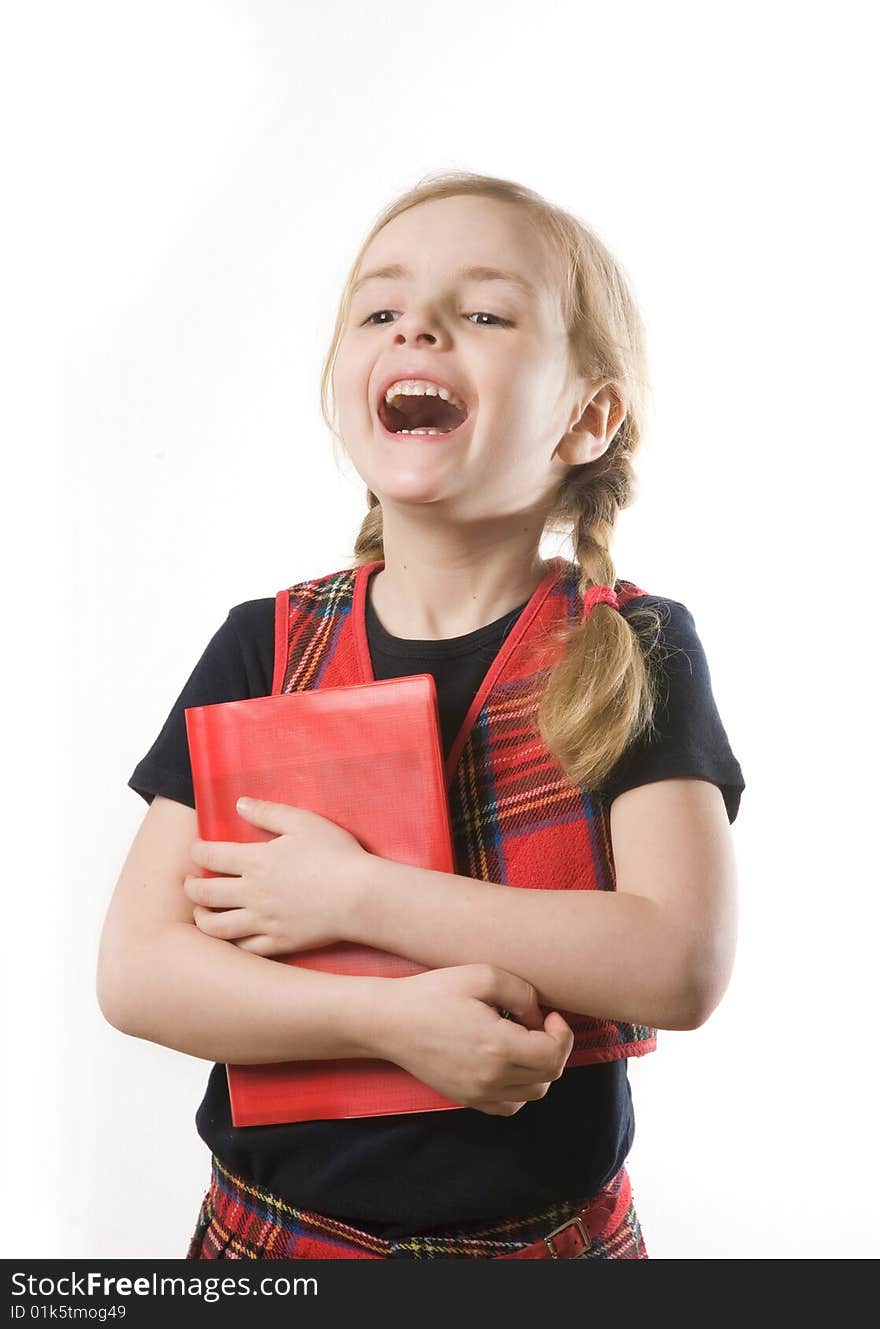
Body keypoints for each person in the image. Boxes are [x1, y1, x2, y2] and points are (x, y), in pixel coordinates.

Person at [97, 170, 745, 1260]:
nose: (422, 328)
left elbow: (678, 961)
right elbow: (138, 972)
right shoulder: (261, 646)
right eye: (382, 310)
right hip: (269, 1245)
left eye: (483, 313)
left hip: (549, 1251)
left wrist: (357, 895)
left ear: (588, 416)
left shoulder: (635, 647)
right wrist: (388, 1022)